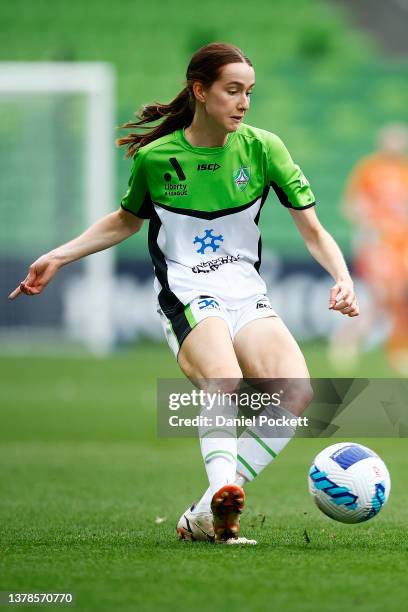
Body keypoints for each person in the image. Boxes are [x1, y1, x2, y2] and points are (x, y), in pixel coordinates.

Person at [8, 42, 359, 544]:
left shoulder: (263, 148)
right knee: (225, 378)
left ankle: (203, 513)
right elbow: (126, 221)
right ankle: (224, 501)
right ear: (200, 91)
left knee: (297, 393)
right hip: (189, 292)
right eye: (232, 90)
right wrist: (60, 255)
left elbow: (314, 231)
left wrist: (341, 277)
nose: (243, 103)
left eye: (249, 92)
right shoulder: (157, 158)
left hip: (245, 290)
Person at [329, 123, 408, 375]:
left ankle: (391, 348)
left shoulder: (404, 172)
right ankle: (348, 341)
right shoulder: (369, 168)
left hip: (399, 246)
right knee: (383, 296)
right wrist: (368, 228)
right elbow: (351, 205)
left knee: (394, 299)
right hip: (377, 245)